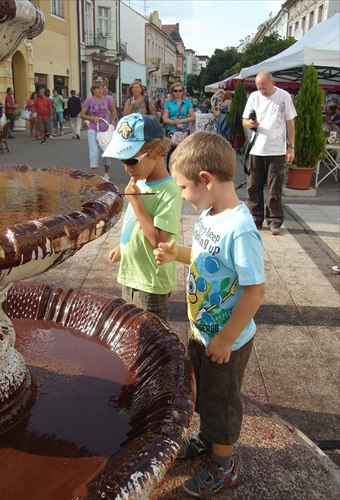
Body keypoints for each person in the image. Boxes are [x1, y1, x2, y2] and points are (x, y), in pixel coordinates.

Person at [153, 131, 265, 498]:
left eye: (184, 188)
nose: (183, 196)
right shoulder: (209, 215)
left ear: (206, 179)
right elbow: (205, 259)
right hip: (203, 332)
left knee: (221, 401)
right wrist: (177, 253)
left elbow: (255, 289)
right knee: (203, 392)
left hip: (225, 340)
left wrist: (227, 337)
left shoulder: (240, 228)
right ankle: (206, 439)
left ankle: (224, 466)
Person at [104, 113, 182, 323]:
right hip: (131, 273)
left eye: (132, 159)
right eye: (122, 160)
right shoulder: (140, 181)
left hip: (150, 282)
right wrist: (124, 245)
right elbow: (135, 224)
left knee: (151, 338)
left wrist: (136, 203)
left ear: (157, 151)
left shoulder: (170, 191)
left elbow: (161, 241)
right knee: (131, 332)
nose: (127, 168)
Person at [242, 71, 297, 235]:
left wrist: (291, 146)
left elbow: (290, 123)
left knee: (274, 187)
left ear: (272, 83)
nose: (262, 92)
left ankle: (274, 220)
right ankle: (255, 217)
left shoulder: (284, 96)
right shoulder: (254, 97)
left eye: (264, 88)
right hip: (256, 148)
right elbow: (244, 120)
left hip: (276, 149)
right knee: (253, 186)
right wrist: (250, 123)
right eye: (259, 88)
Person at [79, 82, 117, 179]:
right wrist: (91, 118)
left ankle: (106, 172)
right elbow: (82, 115)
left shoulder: (107, 99)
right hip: (93, 129)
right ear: (93, 90)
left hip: (105, 130)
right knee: (94, 152)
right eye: (98, 89)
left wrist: (113, 120)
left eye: (101, 88)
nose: (100, 91)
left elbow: (113, 110)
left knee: (105, 152)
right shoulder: (89, 100)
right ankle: (95, 176)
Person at [162, 82, 195, 169]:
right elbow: (164, 118)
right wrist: (175, 123)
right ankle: (170, 171)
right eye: (175, 91)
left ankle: (182, 170)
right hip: (172, 130)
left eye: (180, 91)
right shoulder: (168, 103)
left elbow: (192, 117)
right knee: (171, 152)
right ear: (172, 92)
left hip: (184, 130)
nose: (178, 93)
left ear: (183, 92)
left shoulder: (187, 103)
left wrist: (181, 121)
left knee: (183, 152)